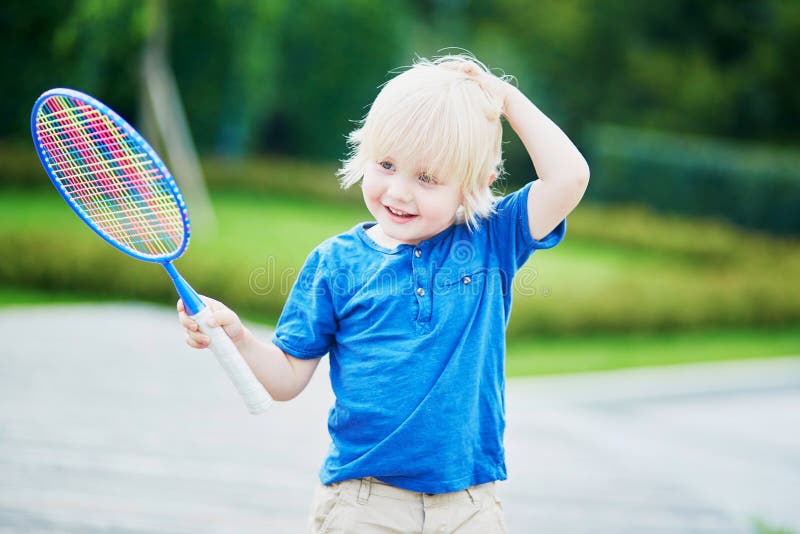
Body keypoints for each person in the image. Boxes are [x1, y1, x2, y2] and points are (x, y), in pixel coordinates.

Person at [178, 54, 589, 533]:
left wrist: (506, 99)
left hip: (469, 504)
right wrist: (240, 338)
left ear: (471, 186)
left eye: (427, 178)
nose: (399, 191)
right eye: (387, 165)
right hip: (364, 502)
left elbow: (569, 178)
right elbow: (287, 378)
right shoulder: (334, 263)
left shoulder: (492, 240)